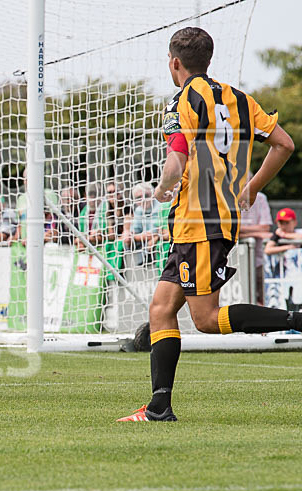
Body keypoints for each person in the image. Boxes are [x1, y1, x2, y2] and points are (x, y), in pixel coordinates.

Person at [118, 27, 296, 422]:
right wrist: (251, 187)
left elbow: (178, 156)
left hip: (200, 221)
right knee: (161, 309)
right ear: (209, 60)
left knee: (205, 319)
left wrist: (162, 187)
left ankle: (295, 322)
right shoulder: (240, 99)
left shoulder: (182, 100)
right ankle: (159, 407)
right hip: (208, 221)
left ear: (174, 62)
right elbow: (284, 143)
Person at [239, 190, 273, 304]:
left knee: (263, 298)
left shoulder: (261, 198)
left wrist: (242, 232)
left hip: (258, 260)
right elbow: (228, 228)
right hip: (234, 261)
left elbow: (265, 228)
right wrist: (256, 233)